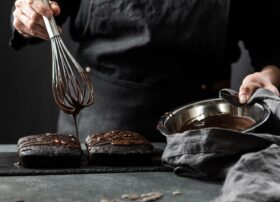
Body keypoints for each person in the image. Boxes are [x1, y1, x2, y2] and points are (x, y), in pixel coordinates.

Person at [11, 0, 280, 142]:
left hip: (201, 136)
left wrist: (270, 74)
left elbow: (271, 46)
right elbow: (41, 9)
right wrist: (29, 13)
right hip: (95, 126)